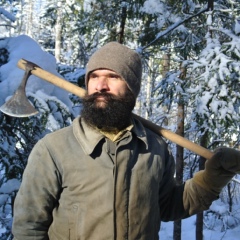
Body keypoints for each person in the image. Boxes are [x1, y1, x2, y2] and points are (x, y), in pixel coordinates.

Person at [12, 42, 240, 240]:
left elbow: (170, 206)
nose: (100, 85)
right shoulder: (53, 150)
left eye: (112, 76)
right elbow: (28, 229)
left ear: (132, 88)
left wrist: (212, 178)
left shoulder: (155, 148)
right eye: (94, 76)